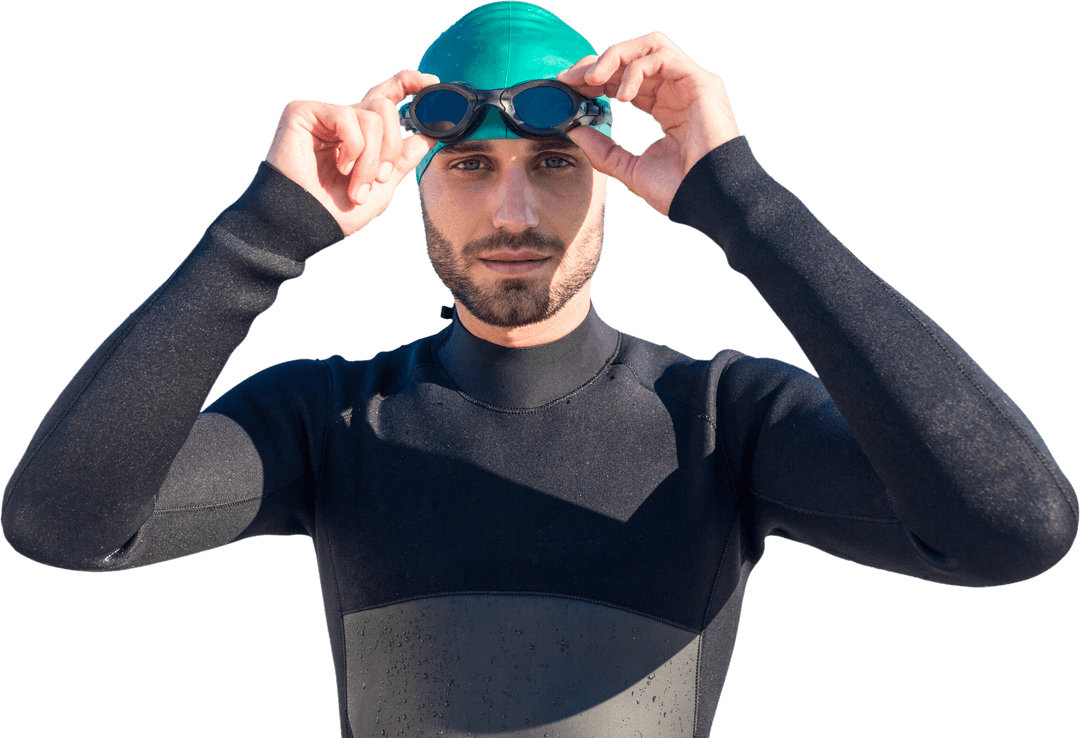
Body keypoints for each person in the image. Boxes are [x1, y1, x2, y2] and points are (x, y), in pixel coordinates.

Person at [3, 2, 1076, 736]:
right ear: (416, 182)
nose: (513, 213)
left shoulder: (723, 422)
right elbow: (62, 522)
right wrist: (266, 230)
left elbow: (1013, 527)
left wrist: (738, 196)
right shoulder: (329, 420)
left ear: (610, 175)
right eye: (469, 166)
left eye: (554, 165)